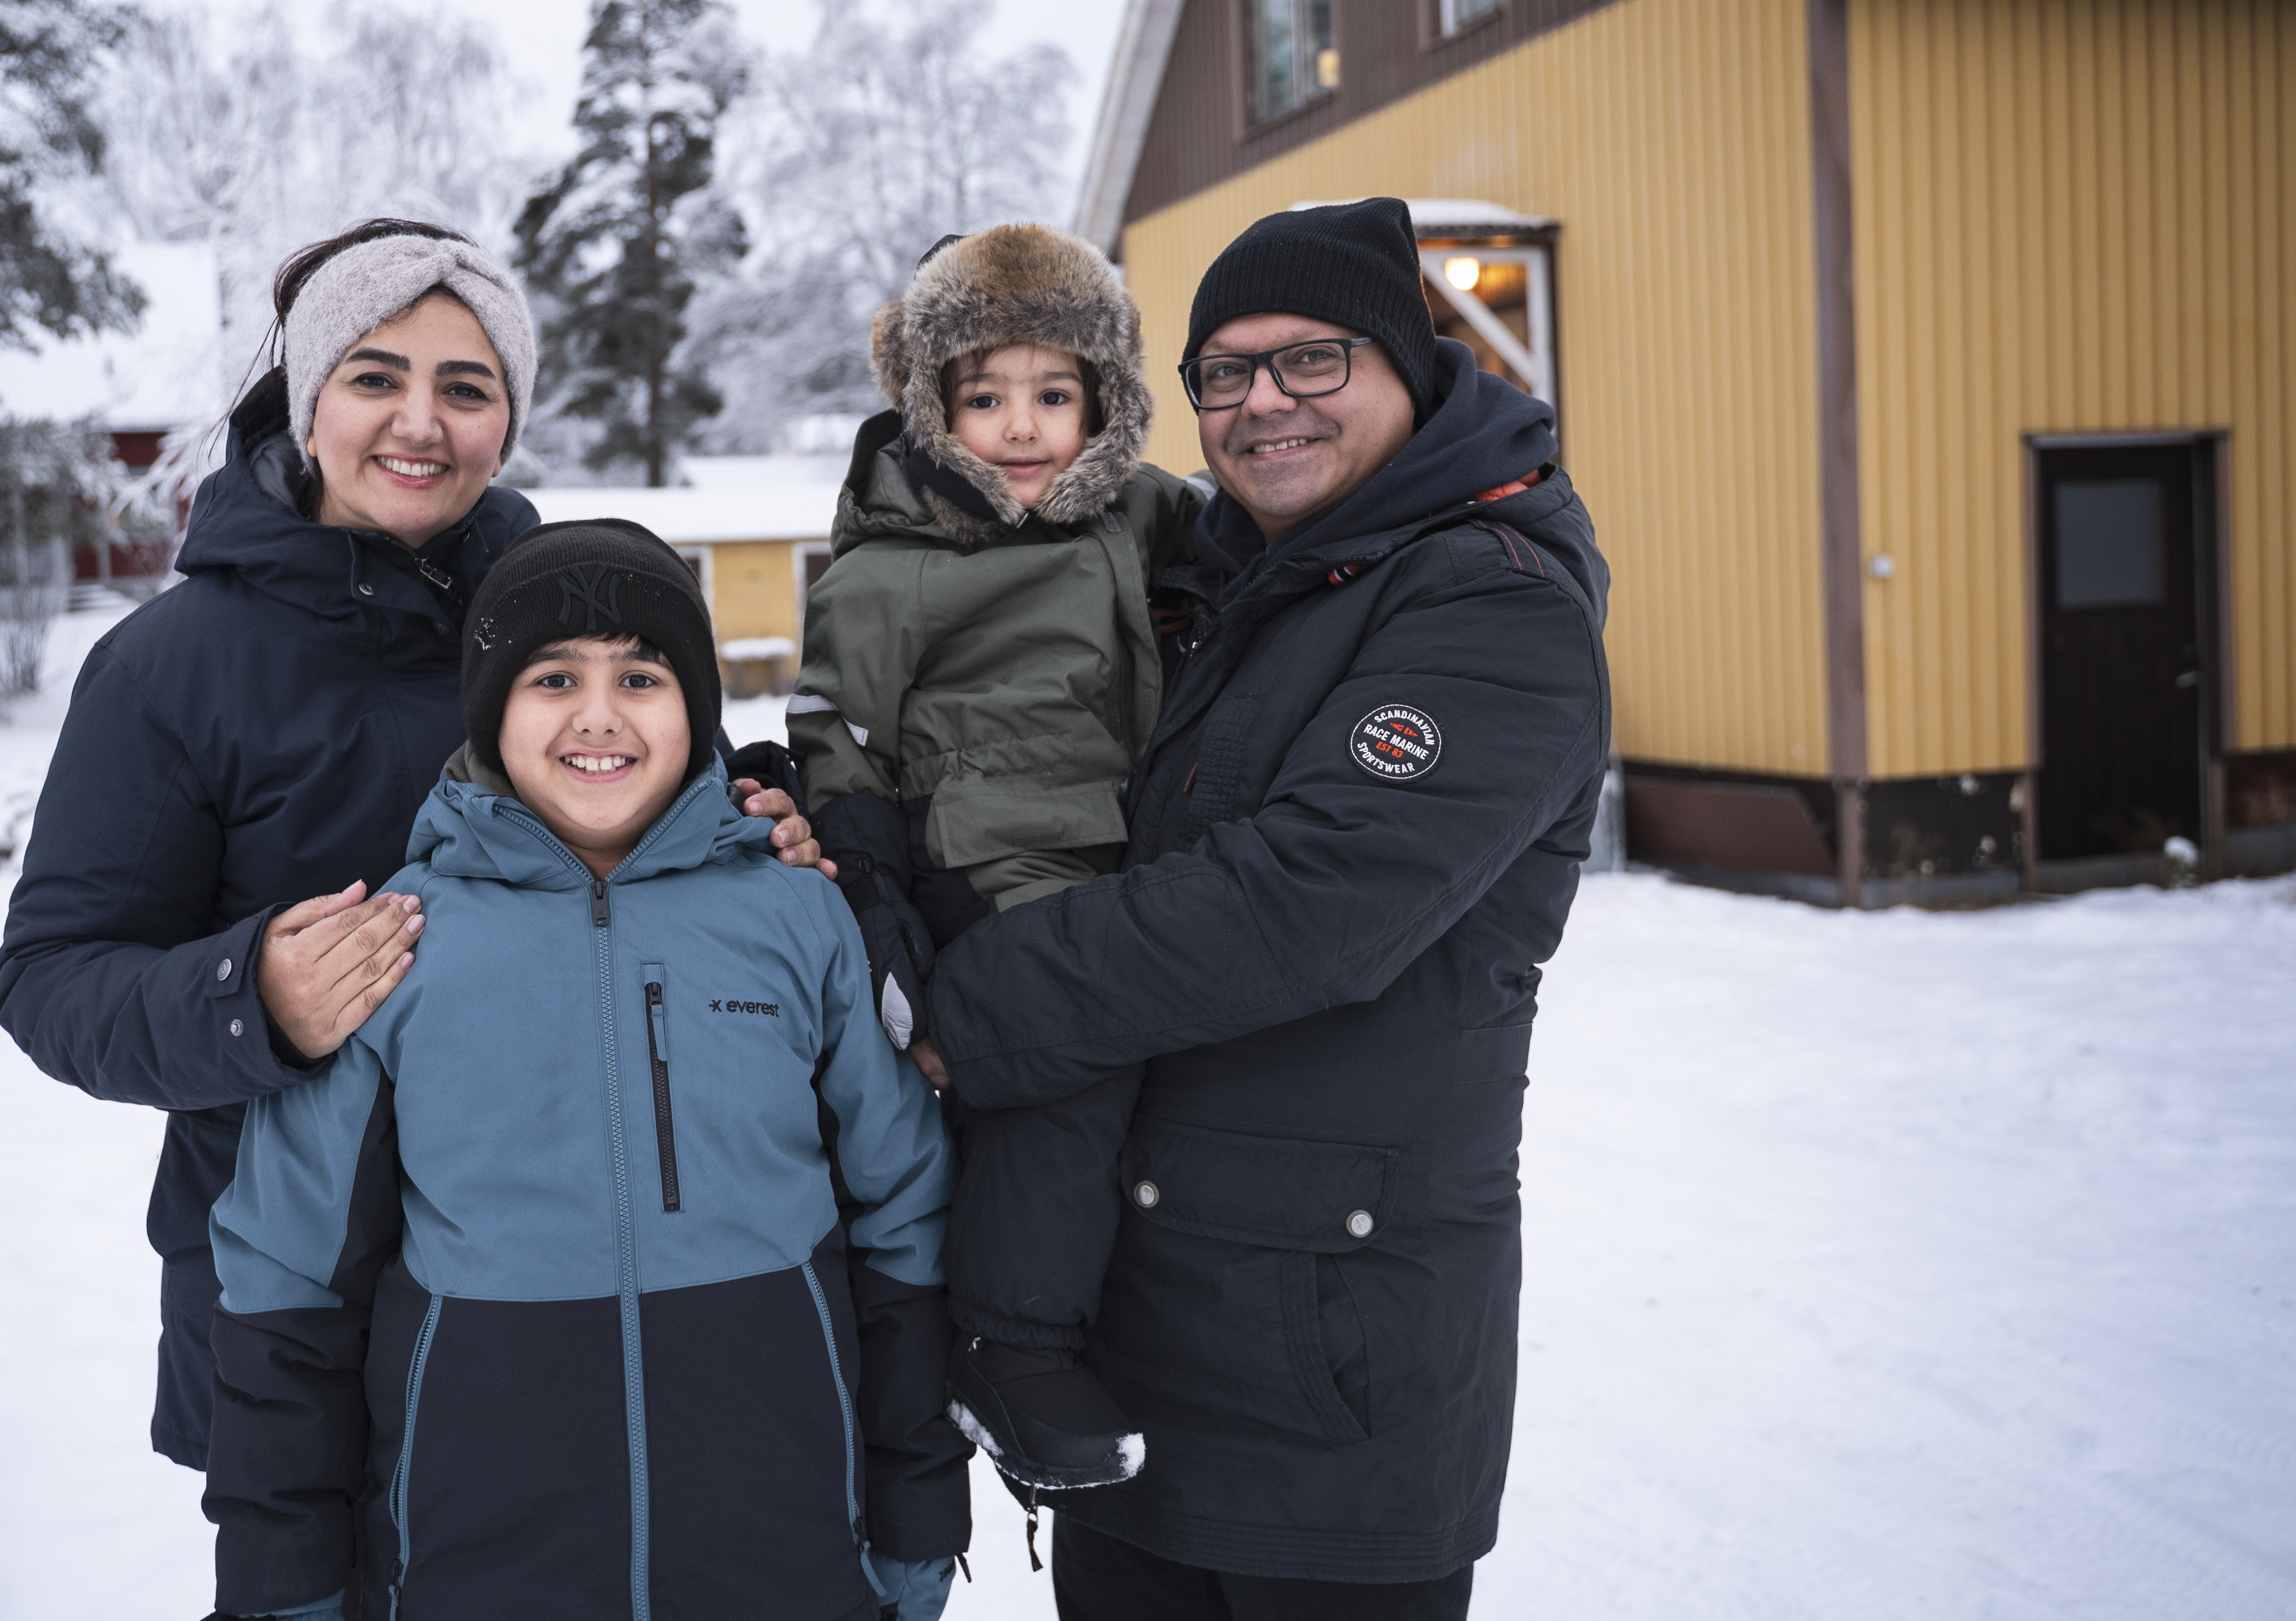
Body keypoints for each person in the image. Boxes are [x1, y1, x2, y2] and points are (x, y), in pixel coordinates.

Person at [0, 221, 821, 1481]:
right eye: (376, 377)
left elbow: (666, 828)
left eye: (466, 387)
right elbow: (52, 979)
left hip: (559, 1283)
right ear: (309, 399)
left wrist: (760, 810)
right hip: (292, 1300)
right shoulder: (173, 669)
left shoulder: (569, 623)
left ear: (510, 420)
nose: (418, 423)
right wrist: (246, 996)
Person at [897, 199, 1611, 1617]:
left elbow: (1298, 910)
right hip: (1144, 1353)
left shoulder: (1490, 602)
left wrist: (962, 1011)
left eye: (1314, 360)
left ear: (1414, 367)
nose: (1260, 402)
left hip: (1335, 1384)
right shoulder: (1230, 581)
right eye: (1223, 371)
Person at [202, 519, 970, 1621]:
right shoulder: (396, 944)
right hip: (475, 1566)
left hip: (787, 1555)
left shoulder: (798, 916)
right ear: (491, 710)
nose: (599, 713)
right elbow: (286, 1280)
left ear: (697, 709)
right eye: (553, 675)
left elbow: (909, 1222)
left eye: (642, 674)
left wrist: (917, 1522)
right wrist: (288, 1582)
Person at [787, 223, 1205, 1492]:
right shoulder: (888, 570)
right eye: (984, 399)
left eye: (1055, 395)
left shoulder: (1145, 516)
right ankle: (1010, 1345)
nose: (1022, 430)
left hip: (1129, 843)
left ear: (1107, 403)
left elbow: (1264, 556)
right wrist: (873, 897)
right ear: (929, 408)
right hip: (989, 859)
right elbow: (840, 740)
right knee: (1069, 1067)